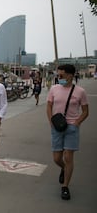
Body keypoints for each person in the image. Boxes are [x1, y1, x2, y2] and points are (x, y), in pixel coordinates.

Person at [46, 64, 88, 200]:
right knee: (57, 158)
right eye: (58, 75)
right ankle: (63, 168)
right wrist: (50, 121)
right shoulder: (54, 89)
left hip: (71, 128)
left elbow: (86, 111)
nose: (59, 78)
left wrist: (77, 123)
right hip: (57, 127)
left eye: (61, 75)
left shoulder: (80, 91)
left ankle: (65, 186)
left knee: (68, 157)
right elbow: (49, 105)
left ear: (70, 75)